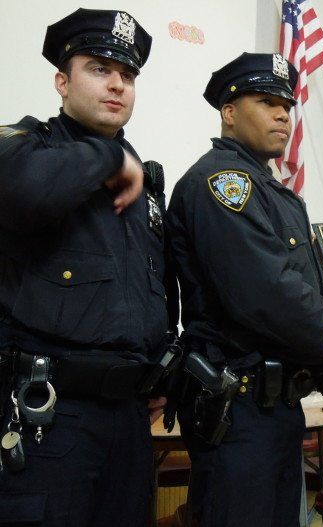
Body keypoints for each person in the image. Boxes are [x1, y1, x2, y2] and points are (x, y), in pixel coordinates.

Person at [166, 52, 323, 527]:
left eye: (288, 105)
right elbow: (267, 294)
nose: (284, 114)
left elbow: (286, 274)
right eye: (267, 102)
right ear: (228, 112)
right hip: (238, 408)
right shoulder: (222, 183)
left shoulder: (268, 188)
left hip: (274, 407)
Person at [0, 8, 172, 527]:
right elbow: (22, 190)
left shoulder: (144, 177)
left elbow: (154, 280)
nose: (118, 83)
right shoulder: (25, 147)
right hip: (49, 415)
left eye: (129, 75)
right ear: (61, 80)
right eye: (99, 68)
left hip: (128, 417)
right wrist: (107, 160)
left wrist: (159, 358)